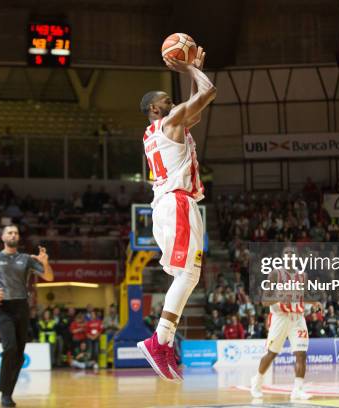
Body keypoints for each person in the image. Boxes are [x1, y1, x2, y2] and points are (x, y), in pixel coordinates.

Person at [137, 45, 216, 383]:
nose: (171, 102)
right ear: (155, 108)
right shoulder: (169, 121)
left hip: (171, 204)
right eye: (165, 99)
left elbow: (199, 104)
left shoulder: (155, 132)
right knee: (187, 276)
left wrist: (193, 72)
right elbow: (209, 92)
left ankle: (164, 341)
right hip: (177, 202)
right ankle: (158, 340)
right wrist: (188, 70)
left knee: (188, 276)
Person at [0, 225, 54, 408]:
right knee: (10, 348)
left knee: (19, 355)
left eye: (16, 232)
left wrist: (45, 263)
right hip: (3, 307)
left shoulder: (26, 259)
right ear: (3, 237)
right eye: (9, 232)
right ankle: (4, 392)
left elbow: (49, 277)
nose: (13, 234)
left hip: (21, 307)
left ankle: (7, 395)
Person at [251, 247, 318, 402]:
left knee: (301, 354)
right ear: (282, 258)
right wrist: (279, 298)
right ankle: (257, 382)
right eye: (286, 255)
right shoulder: (275, 274)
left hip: (298, 318)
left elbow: (303, 296)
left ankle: (298, 390)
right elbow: (264, 300)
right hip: (280, 317)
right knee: (272, 353)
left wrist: (314, 302)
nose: (289, 258)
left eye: (292, 255)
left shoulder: (303, 276)